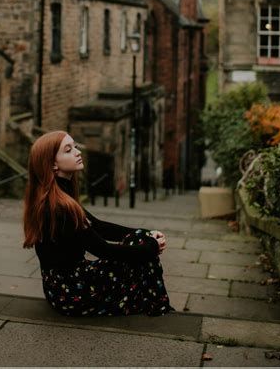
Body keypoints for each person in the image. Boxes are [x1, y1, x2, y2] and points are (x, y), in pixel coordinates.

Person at [23, 130, 173, 317]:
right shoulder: (61, 206)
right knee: (142, 252)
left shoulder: (57, 195)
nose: (77, 152)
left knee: (140, 240)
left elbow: (99, 226)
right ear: (52, 164)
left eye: (75, 147)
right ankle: (157, 305)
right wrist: (150, 247)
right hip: (73, 294)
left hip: (58, 290)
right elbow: (103, 250)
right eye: (68, 150)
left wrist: (146, 233)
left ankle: (154, 302)